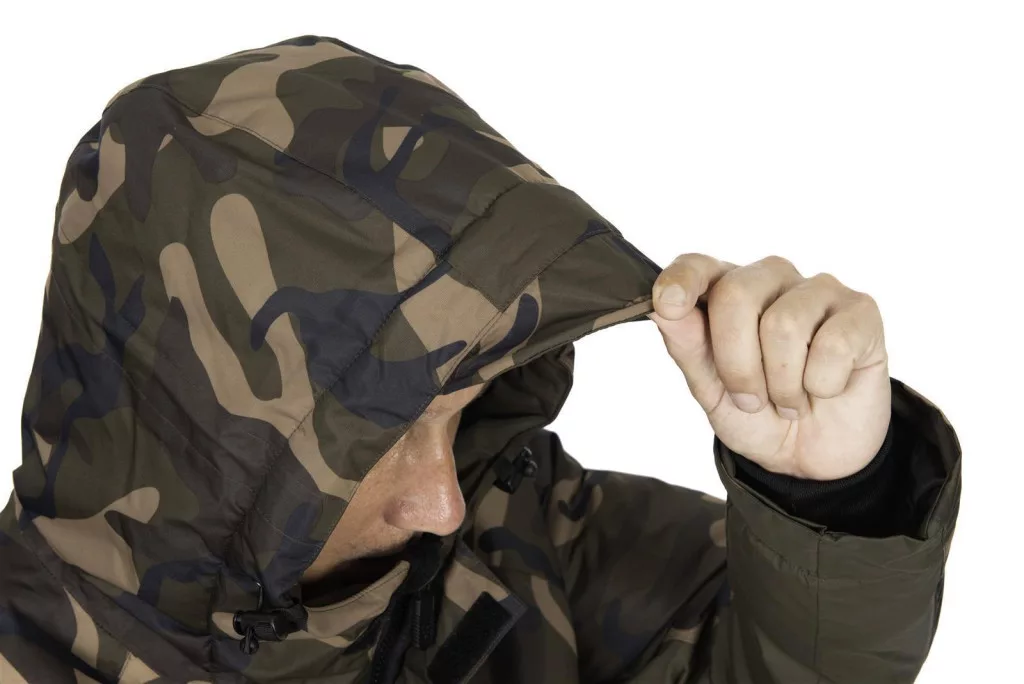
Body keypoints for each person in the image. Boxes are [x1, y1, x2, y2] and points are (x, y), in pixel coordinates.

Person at [0, 35, 960, 683]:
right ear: (207, 438)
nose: (443, 503)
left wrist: (829, 499)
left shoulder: (518, 542)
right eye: (382, 432)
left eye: (459, 407)